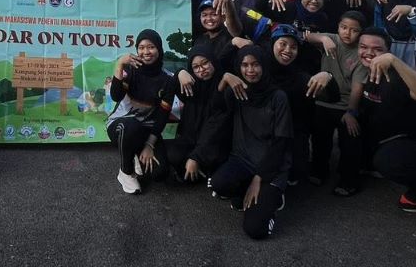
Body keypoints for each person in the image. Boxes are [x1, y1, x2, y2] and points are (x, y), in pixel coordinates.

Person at [351, 27, 416, 213]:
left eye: (377, 49)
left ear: (388, 53)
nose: (368, 52)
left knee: (386, 163)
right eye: (363, 47)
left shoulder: (398, 75)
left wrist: (394, 61)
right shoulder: (363, 71)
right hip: (383, 138)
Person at [210, 45, 292, 240]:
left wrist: (259, 178)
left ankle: (273, 198)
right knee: (218, 184)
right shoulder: (238, 91)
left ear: (263, 66)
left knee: (255, 229)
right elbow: (216, 108)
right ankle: (247, 192)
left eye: (255, 65)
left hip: (272, 166)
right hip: (243, 159)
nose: (250, 70)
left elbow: (281, 143)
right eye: (245, 65)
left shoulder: (277, 97)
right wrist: (223, 80)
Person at [265, 24, 338, 186]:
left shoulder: (300, 77)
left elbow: (333, 97)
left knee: (297, 172)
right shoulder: (259, 69)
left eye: (293, 47)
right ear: (272, 44)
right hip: (262, 130)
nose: (288, 50)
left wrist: (328, 76)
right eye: (282, 44)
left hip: (293, 131)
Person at [106, 30, 177, 194]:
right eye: (141, 47)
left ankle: (136, 151)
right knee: (131, 126)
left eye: (151, 47)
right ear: (137, 50)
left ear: (159, 49)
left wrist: (149, 144)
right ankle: (126, 171)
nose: (146, 52)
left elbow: (163, 115)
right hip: (122, 125)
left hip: (148, 130)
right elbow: (116, 96)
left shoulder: (167, 80)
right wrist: (119, 64)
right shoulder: (130, 70)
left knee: (160, 174)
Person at [305, 10, 365, 196]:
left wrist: (351, 112)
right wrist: (323, 38)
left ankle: (348, 179)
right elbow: (308, 37)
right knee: (320, 140)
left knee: (349, 144)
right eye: (343, 27)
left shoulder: (360, 53)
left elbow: (357, 88)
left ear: (361, 33)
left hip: (346, 106)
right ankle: (319, 170)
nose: (347, 33)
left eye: (354, 30)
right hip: (323, 102)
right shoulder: (332, 39)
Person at [160, 42, 228, 183]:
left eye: (205, 63)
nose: (202, 70)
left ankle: (200, 169)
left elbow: (216, 128)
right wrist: (180, 73)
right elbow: (168, 90)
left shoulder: (223, 87)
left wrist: (196, 156)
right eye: (195, 67)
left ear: (213, 60)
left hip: (214, 143)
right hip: (190, 140)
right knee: (172, 156)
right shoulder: (190, 86)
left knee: (219, 166)